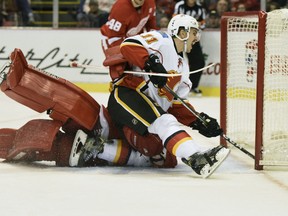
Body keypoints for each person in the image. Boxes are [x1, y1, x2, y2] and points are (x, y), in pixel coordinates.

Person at [102, 14, 230, 178]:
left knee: (165, 158)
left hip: (146, 110)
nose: (196, 38)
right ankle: (197, 158)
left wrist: (198, 120)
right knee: (164, 121)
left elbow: (176, 105)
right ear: (181, 32)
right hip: (127, 96)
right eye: (193, 32)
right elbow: (128, 45)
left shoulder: (183, 67)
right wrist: (151, 63)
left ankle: (102, 150)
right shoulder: (162, 39)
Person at [173, 0, 206, 96]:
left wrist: (197, 26)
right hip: (180, 37)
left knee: (199, 62)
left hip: (192, 38)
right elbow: (174, 21)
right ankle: (175, 86)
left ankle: (193, 86)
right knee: (176, 61)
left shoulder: (200, 8)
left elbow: (203, 24)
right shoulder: (179, 6)